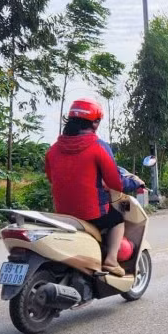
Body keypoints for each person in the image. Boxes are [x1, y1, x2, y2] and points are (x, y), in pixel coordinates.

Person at [44, 99, 130, 276]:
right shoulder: (98, 147)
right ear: (95, 122)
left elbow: (51, 179)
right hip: (93, 215)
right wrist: (133, 183)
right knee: (117, 218)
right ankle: (111, 261)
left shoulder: (53, 150)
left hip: (63, 215)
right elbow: (115, 183)